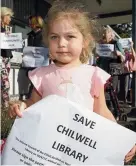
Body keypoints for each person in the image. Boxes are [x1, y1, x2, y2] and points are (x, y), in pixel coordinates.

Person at [8, 0, 136, 163]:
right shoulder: (42, 75)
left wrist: (122, 140)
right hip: (48, 147)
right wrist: (21, 106)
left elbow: (102, 112)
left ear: (85, 42)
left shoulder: (93, 75)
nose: (61, 43)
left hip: (81, 149)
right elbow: (33, 103)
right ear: (47, 40)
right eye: (54, 37)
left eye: (70, 36)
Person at [18, 15, 45, 100]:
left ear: (36, 23)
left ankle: (32, 99)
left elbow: (45, 49)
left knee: (37, 84)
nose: (29, 24)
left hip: (41, 65)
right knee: (33, 83)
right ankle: (32, 100)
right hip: (31, 65)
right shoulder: (30, 35)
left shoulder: (44, 35)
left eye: (31, 22)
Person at [1, 7, 14, 109]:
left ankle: (4, 106)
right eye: (9, 16)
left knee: (4, 82)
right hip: (1, 58)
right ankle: (5, 107)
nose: (10, 19)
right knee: (5, 84)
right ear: (3, 16)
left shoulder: (5, 29)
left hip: (6, 58)